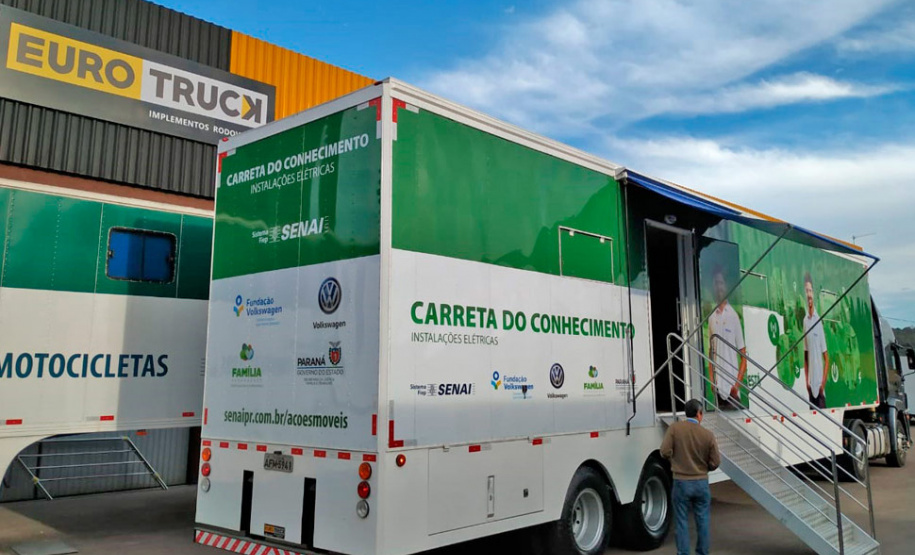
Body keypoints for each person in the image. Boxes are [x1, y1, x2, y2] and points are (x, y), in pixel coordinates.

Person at [661, 399, 721, 555]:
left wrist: (676, 461)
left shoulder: (675, 429)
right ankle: (702, 552)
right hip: (701, 483)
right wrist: (705, 468)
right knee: (703, 521)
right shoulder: (708, 435)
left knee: (681, 521)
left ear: (686, 413)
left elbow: (664, 451)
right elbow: (715, 462)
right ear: (699, 414)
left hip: (681, 482)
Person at [707, 266, 747, 410]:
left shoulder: (733, 316)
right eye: (716, 284)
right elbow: (711, 354)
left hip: (732, 391)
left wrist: (736, 385)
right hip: (718, 389)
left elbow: (744, 357)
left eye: (721, 283)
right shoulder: (712, 318)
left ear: (725, 286)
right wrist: (712, 381)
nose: (719, 287)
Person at [803, 272, 829, 409]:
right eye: (806, 291)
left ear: (814, 293)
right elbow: (805, 356)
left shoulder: (818, 322)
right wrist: (807, 382)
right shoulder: (805, 322)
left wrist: (822, 384)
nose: (809, 295)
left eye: (810, 291)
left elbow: (827, 358)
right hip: (810, 388)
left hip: (819, 389)